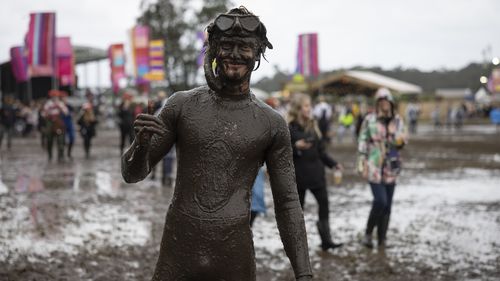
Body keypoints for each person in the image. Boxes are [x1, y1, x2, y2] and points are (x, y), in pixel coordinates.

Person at [121, 6, 312, 281]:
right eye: (227, 46)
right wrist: (139, 146)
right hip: (179, 251)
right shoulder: (182, 106)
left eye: (244, 47)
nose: (235, 54)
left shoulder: (271, 123)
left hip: (234, 256)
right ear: (213, 50)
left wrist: (303, 273)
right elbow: (131, 174)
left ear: (258, 52)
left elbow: (288, 203)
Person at [288, 93, 343, 251]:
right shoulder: (289, 127)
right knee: (298, 211)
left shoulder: (314, 125)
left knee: (324, 204)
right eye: (306, 106)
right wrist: (296, 147)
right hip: (298, 175)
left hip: (317, 174)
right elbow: (281, 153)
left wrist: (334, 165)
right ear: (298, 109)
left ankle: (326, 240)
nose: (309, 108)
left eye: (309, 105)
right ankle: (297, 244)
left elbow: (321, 152)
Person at [357, 88, 407, 248]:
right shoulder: (369, 120)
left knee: (388, 205)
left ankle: (382, 239)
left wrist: (398, 138)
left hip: (391, 166)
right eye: (381, 101)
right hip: (374, 166)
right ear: (378, 103)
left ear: (391, 102)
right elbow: (362, 141)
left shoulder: (398, 120)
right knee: (380, 201)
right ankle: (368, 233)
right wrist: (361, 162)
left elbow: (403, 141)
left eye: (387, 101)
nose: (384, 104)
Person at [42, 90, 68, 162]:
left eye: (56, 96)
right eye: (53, 96)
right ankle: (50, 155)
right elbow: (43, 114)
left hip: (58, 123)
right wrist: (48, 112)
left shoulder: (60, 103)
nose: (55, 97)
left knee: (60, 140)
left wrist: (60, 107)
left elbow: (66, 112)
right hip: (50, 122)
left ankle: (60, 155)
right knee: (49, 139)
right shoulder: (48, 104)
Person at [60, 92, 75, 159]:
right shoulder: (59, 106)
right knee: (61, 140)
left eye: (65, 98)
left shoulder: (69, 106)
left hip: (69, 124)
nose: (64, 99)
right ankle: (61, 154)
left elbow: (73, 114)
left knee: (72, 138)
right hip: (61, 124)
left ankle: (69, 153)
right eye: (63, 98)